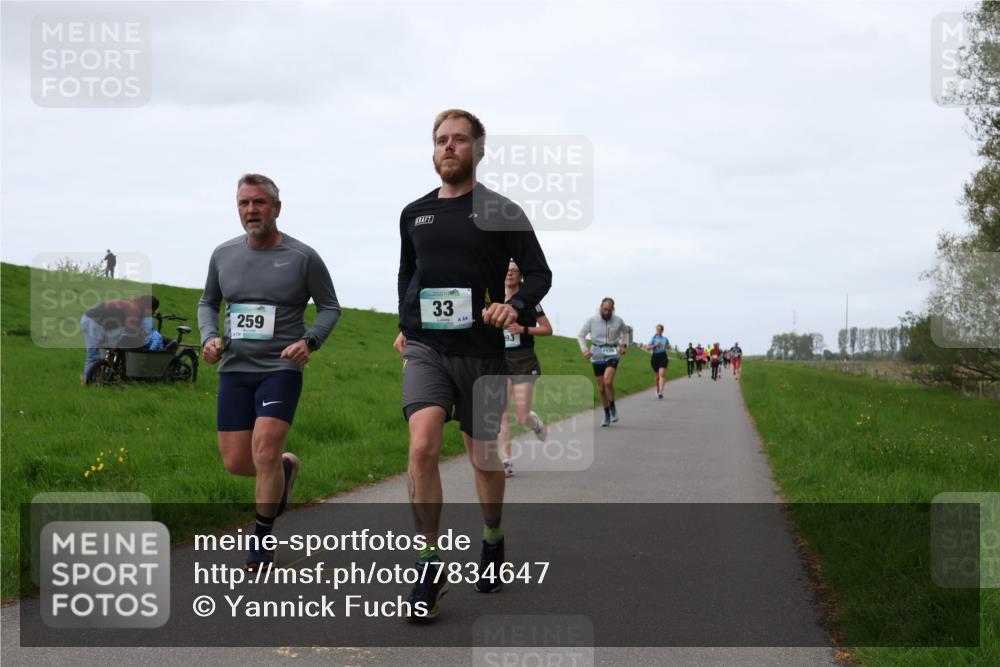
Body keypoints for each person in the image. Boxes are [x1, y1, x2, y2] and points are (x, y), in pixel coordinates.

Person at [393, 109, 552, 620]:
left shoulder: (501, 211)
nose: (449, 147)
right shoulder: (413, 213)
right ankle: (428, 562)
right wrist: (407, 321)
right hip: (427, 348)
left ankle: (491, 537)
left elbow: (538, 272)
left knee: (484, 457)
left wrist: (517, 306)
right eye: (441, 140)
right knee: (422, 445)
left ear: (478, 150)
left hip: (482, 351)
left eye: (460, 139)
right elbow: (408, 275)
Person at [198, 173, 341, 570]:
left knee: (263, 448)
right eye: (244, 203)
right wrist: (210, 337)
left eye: (259, 203)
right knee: (236, 462)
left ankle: (261, 539)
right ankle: (284, 468)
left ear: (276, 208)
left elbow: (330, 307)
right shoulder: (223, 254)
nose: (251, 210)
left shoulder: (302, 257)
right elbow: (208, 302)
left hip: (280, 366)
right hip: (234, 367)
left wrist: (310, 341)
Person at [498, 259, 553, 478]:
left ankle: (535, 423)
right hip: (501, 359)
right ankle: (507, 461)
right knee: (502, 412)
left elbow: (547, 329)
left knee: (521, 416)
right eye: (507, 271)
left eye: (514, 271)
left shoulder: (530, 301)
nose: (509, 274)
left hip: (524, 359)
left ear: (521, 276)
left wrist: (523, 329)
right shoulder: (494, 298)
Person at [80, 294, 158, 381]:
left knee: (102, 355)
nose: (152, 315)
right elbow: (131, 326)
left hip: (96, 322)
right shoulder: (135, 309)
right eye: (153, 311)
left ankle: (98, 379)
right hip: (93, 323)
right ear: (149, 308)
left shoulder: (135, 305)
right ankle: (88, 382)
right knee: (94, 355)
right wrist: (141, 333)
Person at [578, 298, 628, 426]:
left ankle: (612, 408)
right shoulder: (592, 320)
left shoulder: (618, 320)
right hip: (597, 354)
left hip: (612, 353)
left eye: (609, 310)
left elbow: (626, 332)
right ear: (601, 307)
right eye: (605, 309)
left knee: (608, 381)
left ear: (613, 309)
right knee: (601, 389)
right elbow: (581, 335)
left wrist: (624, 345)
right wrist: (584, 350)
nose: (606, 312)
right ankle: (606, 415)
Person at [645, 324, 669, 399]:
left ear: (662, 330)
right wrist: (655, 345)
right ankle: (658, 389)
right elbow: (647, 348)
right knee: (658, 376)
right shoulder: (653, 339)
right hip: (655, 357)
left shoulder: (665, 339)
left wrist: (668, 346)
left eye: (660, 329)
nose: (659, 330)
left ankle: (661, 392)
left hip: (663, 356)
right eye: (657, 329)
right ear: (656, 330)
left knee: (661, 374)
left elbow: (668, 346)